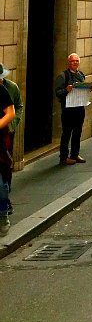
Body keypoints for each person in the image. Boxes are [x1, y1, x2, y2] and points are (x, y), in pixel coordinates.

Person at [55, 53, 92, 165]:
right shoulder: (63, 76)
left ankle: (75, 155)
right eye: (73, 61)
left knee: (78, 133)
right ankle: (63, 157)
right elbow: (58, 93)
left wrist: (89, 88)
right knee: (66, 133)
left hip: (79, 108)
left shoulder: (81, 75)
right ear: (69, 62)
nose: (75, 63)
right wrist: (66, 90)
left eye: (76, 61)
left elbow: (82, 89)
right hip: (68, 109)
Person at [0, 64, 22, 218]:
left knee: (5, 169)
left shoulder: (9, 88)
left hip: (5, 134)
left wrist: (12, 124)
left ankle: (4, 206)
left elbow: (16, 108)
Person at [0, 69, 16, 235]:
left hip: (0, 141)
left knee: (1, 183)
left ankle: (3, 214)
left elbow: (11, 113)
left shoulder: (2, 90)